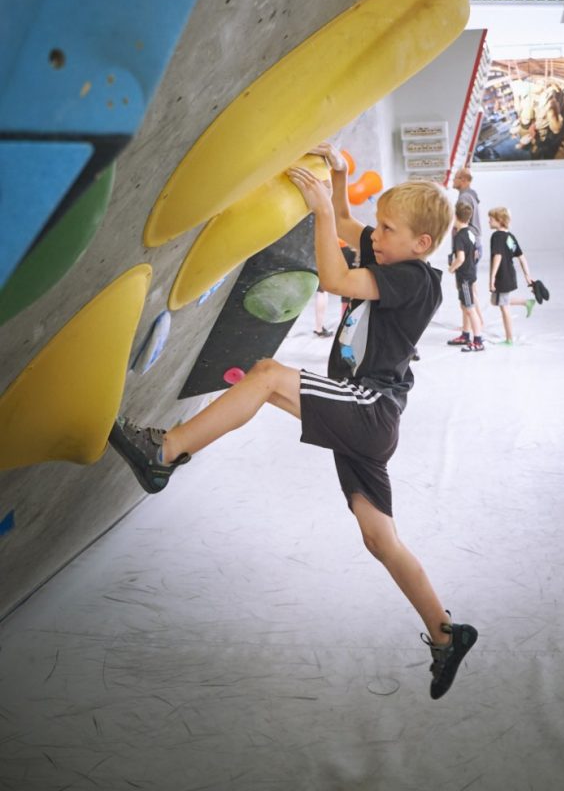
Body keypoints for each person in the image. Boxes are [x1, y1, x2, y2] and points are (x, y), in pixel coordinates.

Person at [109, 141, 478, 700]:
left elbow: (333, 279)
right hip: (367, 415)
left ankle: (165, 452)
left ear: (421, 244)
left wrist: (323, 215)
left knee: (267, 375)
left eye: (387, 228)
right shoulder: (388, 254)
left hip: (369, 407)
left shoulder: (417, 280)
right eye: (378, 227)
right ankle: (446, 634)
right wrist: (338, 178)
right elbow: (352, 224)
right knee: (380, 539)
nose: (374, 235)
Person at [447, 167, 484, 346]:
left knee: (468, 291)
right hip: (472, 245)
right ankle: (467, 330)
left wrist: (452, 266)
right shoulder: (471, 195)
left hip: (468, 249)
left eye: (455, 178)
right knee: (467, 292)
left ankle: (477, 328)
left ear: (463, 179)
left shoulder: (464, 198)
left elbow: (461, 258)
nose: (452, 180)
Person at [488, 206, 536, 345]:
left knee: (504, 307)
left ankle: (509, 339)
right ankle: (526, 302)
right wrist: (527, 276)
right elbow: (521, 257)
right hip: (510, 274)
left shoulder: (496, 236)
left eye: (491, 219)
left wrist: (492, 278)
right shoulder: (510, 237)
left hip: (502, 276)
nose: (489, 222)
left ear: (499, 220)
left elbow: (498, 256)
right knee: (496, 301)